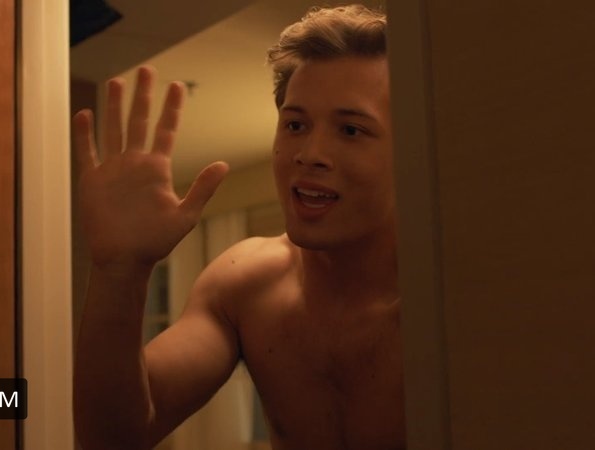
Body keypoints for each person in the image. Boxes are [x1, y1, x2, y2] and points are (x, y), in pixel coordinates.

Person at [72, 4, 404, 449]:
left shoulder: (457, 304)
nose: (309, 153)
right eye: (295, 124)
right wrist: (119, 271)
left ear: (414, 147)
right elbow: (114, 438)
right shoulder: (246, 283)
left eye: (350, 130)